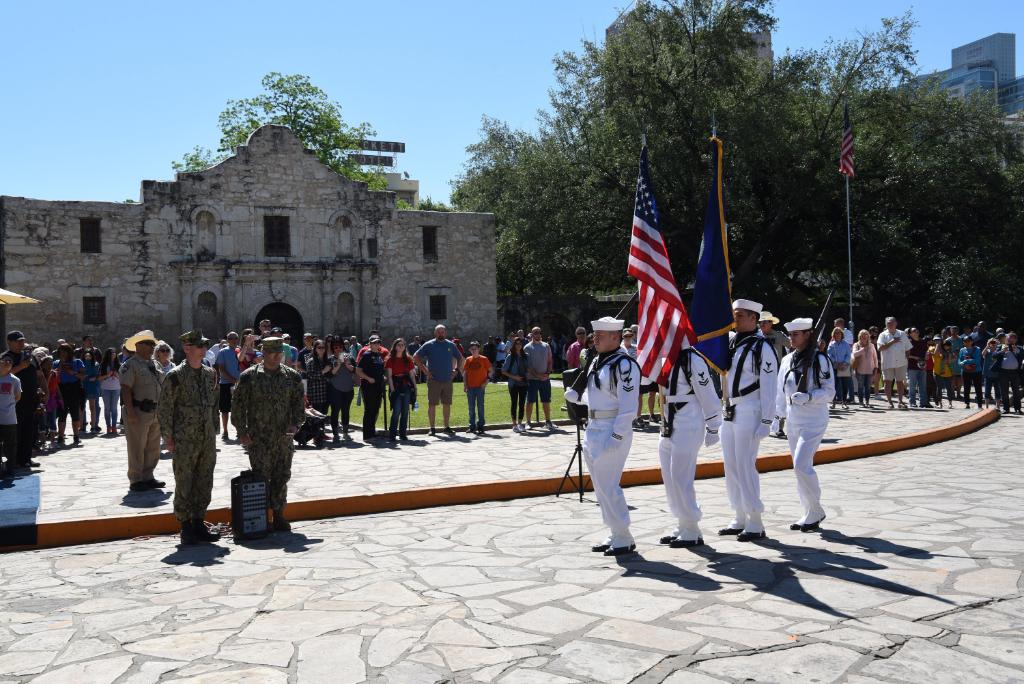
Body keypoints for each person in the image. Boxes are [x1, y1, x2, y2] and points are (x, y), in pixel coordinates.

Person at [564, 317, 640, 556]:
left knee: (608, 484)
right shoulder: (598, 360)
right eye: (595, 334)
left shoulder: (624, 365)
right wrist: (579, 398)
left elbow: (628, 406)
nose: (594, 338)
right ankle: (614, 531)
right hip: (594, 425)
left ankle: (624, 535)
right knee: (600, 485)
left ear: (616, 337)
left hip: (611, 427)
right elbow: (599, 393)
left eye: (601, 335)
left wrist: (618, 435)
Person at [719, 299, 778, 542]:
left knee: (745, 464)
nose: (736, 319)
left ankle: (755, 519)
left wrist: (766, 420)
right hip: (730, 409)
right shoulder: (731, 342)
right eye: (735, 314)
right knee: (731, 466)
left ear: (754, 319)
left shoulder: (762, 347)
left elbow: (769, 385)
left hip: (749, 408)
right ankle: (740, 514)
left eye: (741, 315)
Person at [232, 337, 305, 530]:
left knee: (281, 477)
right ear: (263, 353)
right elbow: (238, 407)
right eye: (272, 353)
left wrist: (295, 425)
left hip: (283, 438)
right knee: (261, 478)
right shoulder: (249, 376)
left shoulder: (292, 377)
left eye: (279, 353)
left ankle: (279, 515)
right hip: (259, 439)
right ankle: (262, 518)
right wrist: (242, 432)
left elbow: (299, 406)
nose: (276, 357)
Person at [657, 345, 722, 548]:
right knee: (668, 476)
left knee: (680, 476)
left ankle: (692, 527)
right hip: (668, 420)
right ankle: (682, 522)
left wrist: (713, 424)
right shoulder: (665, 356)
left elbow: (707, 391)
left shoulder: (692, 359)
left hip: (688, 420)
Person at [158, 331, 220, 544]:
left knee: (204, 480)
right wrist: (168, 437)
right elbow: (165, 409)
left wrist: (215, 429)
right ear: (187, 348)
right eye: (199, 346)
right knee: (184, 481)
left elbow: (214, 404)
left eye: (205, 345)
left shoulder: (209, 374)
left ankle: (198, 521)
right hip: (184, 439)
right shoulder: (175, 377)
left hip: (206, 438)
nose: (203, 349)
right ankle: (185, 526)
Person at [775, 317, 834, 532]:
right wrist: (777, 416)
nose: (791, 338)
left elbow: (829, 392)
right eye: (790, 335)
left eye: (796, 335)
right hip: (793, 420)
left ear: (808, 334)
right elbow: (781, 390)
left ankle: (815, 509)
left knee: (801, 464)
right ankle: (808, 512)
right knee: (798, 468)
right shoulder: (787, 360)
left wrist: (809, 396)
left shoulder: (820, 360)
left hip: (814, 420)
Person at [120, 331, 165, 491]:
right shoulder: (130, 365)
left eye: (153, 344)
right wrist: (131, 413)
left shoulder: (156, 364)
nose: (153, 347)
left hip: (155, 411)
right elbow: (125, 389)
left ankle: (148, 476)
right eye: (149, 344)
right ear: (138, 345)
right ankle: (136, 479)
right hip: (138, 411)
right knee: (136, 446)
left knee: (153, 446)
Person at [413, 324, 463, 436]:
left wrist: (455, 371)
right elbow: (416, 356)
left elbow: (460, 358)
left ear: (445, 333)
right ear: (435, 333)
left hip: (447, 380)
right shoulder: (429, 345)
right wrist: (425, 371)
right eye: (438, 332)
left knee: (447, 404)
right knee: (432, 404)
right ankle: (432, 428)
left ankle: (446, 427)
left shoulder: (451, 345)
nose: (441, 334)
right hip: (433, 380)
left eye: (443, 332)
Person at [7, 331, 41, 468]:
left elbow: (38, 375)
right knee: (16, 432)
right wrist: (20, 366)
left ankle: (26, 458)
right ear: (9, 342)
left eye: (22, 340)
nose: (21, 343)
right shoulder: (6, 357)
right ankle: (14, 460)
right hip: (14, 401)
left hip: (31, 400)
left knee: (30, 431)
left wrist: (41, 389)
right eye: (18, 341)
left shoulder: (30, 357)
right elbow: (3, 374)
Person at [355, 335, 387, 442]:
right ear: (370, 344)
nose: (376, 344)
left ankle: (372, 432)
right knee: (369, 410)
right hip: (369, 386)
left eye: (378, 342)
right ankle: (367, 436)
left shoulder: (378, 355)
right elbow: (358, 370)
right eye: (374, 343)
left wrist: (382, 376)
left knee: (375, 409)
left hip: (378, 386)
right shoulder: (367, 355)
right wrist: (368, 378)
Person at [523, 327, 555, 430]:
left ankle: (548, 421)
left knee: (546, 401)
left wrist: (548, 373)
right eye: (535, 332)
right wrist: (538, 375)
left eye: (539, 332)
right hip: (532, 379)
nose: (538, 334)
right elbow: (527, 366)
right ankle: (528, 422)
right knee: (530, 401)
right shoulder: (527, 347)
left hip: (545, 379)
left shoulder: (546, 346)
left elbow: (550, 361)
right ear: (532, 334)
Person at [54, 343, 85, 446]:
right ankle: (60, 436)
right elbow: (54, 377)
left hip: (74, 389)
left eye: (65, 351)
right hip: (61, 390)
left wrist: (71, 372)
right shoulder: (56, 363)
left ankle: (76, 436)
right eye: (61, 351)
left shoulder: (77, 362)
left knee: (75, 413)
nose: (63, 353)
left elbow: (83, 376)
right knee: (62, 415)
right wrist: (60, 366)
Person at [385, 338, 416, 441]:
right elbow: (389, 376)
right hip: (396, 386)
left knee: (405, 411)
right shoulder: (390, 359)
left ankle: (403, 433)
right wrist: (393, 390)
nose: (401, 347)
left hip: (406, 386)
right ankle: (392, 434)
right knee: (396, 411)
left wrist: (414, 388)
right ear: (395, 346)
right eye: (399, 345)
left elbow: (412, 375)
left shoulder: (408, 359)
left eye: (403, 345)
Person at [877, 317, 910, 410]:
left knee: (900, 382)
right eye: (888, 323)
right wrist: (892, 342)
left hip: (901, 362)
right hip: (888, 362)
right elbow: (880, 348)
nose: (890, 325)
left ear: (896, 323)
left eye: (891, 323)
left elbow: (908, 348)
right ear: (886, 324)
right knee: (887, 382)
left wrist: (906, 359)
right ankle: (890, 402)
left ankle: (900, 401)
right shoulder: (882, 335)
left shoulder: (902, 334)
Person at [326, 339, 356, 442]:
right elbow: (329, 375)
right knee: (335, 411)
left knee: (346, 410)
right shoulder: (330, 359)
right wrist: (338, 364)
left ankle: (345, 433)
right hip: (335, 389)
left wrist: (347, 364)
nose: (338, 349)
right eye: (336, 347)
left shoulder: (350, 357)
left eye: (340, 347)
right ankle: (335, 434)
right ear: (333, 349)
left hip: (348, 388)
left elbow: (355, 370)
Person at [0, 353, 23, 478]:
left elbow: (17, 397)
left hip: (9, 418)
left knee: (10, 446)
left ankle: (10, 469)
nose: (8, 363)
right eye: (5, 361)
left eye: (10, 362)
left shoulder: (14, 380)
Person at [215, 332, 241, 439]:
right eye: (231, 338)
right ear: (228, 340)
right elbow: (221, 368)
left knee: (239, 408)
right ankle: (225, 431)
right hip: (226, 384)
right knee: (225, 409)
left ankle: (240, 430)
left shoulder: (240, 351)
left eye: (235, 338)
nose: (234, 340)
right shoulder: (222, 352)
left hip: (239, 384)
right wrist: (232, 380)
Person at [463, 341, 492, 434]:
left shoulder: (484, 359)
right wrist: (465, 385)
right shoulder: (468, 359)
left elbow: (491, 371)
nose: (473, 351)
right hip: (470, 387)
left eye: (475, 349)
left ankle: (480, 426)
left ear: (479, 349)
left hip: (480, 387)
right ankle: (472, 426)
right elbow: (465, 373)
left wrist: (486, 382)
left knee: (480, 407)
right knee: (471, 408)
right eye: (472, 349)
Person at [992, 332, 1024, 414]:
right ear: (1006, 339)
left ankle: (1018, 409)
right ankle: (1006, 409)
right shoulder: (1001, 346)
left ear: (1016, 340)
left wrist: (1016, 351)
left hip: (1015, 372)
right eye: (1009, 338)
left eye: (1013, 338)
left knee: (1016, 391)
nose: (1011, 340)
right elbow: (994, 355)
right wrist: (1002, 351)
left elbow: (1022, 355)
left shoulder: (1019, 348)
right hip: (1003, 372)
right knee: (1004, 391)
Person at [503, 337, 529, 432]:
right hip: (513, 384)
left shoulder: (525, 355)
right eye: (516, 343)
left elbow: (528, 369)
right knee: (514, 403)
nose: (518, 345)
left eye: (520, 343)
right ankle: (514, 425)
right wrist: (515, 377)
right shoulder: (510, 356)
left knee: (522, 404)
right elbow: (504, 371)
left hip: (524, 383)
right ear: (514, 345)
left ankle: (520, 424)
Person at [905, 328, 931, 409]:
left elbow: (926, 352)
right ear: (910, 334)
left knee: (923, 385)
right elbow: (906, 355)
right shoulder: (909, 342)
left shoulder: (923, 341)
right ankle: (912, 402)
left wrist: (927, 355)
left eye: (917, 330)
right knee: (912, 386)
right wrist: (916, 358)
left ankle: (923, 402)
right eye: (914, 331)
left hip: (922, 366)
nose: (916, 332)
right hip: (912, 367)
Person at [826, 327, 852, 410]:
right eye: (836, 333)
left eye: (839, 333)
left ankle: (844, 402)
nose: (837, 334)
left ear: (842, 334)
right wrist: (835, 363)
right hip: (834, 367)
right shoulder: (831, 344)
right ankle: (833, 402)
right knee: (834, 385)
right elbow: (829, 355)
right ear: (833, 334)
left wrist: (843, 363)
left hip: (844, 367)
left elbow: (848, 355)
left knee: (845, 385)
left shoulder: (846, 344)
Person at [851, 330, 878, 408]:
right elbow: (854, 354)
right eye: (862, 335)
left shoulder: (872, 345)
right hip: (860, 370)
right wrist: (863, 349)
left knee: (868, 387)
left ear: (868, 336)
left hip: (870, 370)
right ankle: (861, 402)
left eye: (866, 334)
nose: (864, 336)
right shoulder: (856, 345)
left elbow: (875, 358)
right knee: (860, 387)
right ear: (859, 336)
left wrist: (876, 368)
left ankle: (867, 402)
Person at [98, 348, 121, 435]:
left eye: (114, 353)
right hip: (105, 388)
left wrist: (116, 375)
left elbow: (123, 378)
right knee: (107, 408)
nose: (113, 354)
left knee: (114, 408)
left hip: (116, 388)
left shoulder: (119, 365)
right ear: (108, 354)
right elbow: (99, 378)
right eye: (111, 353)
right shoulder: (103, 365)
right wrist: (107, 375)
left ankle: (114, 427)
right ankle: (108, 426)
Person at [304, 339, 330, 415]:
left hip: (326, 393)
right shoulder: (311, 361)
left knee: (324, 415)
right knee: (316, 417)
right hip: (315, 394)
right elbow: (311, 376)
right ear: (315, 349)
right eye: (319, 347)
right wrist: (323, 371)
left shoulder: (327, 361)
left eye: (323, 347)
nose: (321, 349)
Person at [958, 336, 983, 409]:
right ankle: (967, 403)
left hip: (976, 371)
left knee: (978, 388)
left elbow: (977, 360)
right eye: (965, 341)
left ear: (972, 341)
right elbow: (959, 360)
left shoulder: (977, 349)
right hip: (965, 371)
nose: (967, 342)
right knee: (966, 388)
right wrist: (964, 366)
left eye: (968, 341)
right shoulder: (962, 350)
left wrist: (965, 362)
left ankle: (979, 404)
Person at [931, 338, 956, 409]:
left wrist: (949, 359)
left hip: (948, 373)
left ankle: (950, 403)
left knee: (949, 388)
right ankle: (939, 403)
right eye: (945, 345)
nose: (946, 346)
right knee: (939, 388)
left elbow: (953, 359)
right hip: (937, 372)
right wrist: (938, 344)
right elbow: (935, 354)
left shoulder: (949, 352)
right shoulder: (933, 348)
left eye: (948, 345)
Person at [82, 349, 101, 433]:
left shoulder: (96, 364)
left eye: (89, 356)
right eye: (86, 356)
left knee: (92, 407)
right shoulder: (81, 364)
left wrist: (94, 378)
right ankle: (82, 425)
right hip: (83, 387)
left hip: (92, 387)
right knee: (82, 407)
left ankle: (93, 426)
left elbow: (98, 375)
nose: (87, 357)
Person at [982, 337, 1002, 408]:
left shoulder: (999, 351)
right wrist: (987, 345)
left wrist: (998, 345)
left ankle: (998, 406)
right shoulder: (988, 351)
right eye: (992, 343)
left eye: (994, 343)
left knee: (997, 390)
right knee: (987, 390)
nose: (993, 344)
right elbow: (983, 354)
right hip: (988, 374)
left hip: (997, 374)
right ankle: (986, 407)